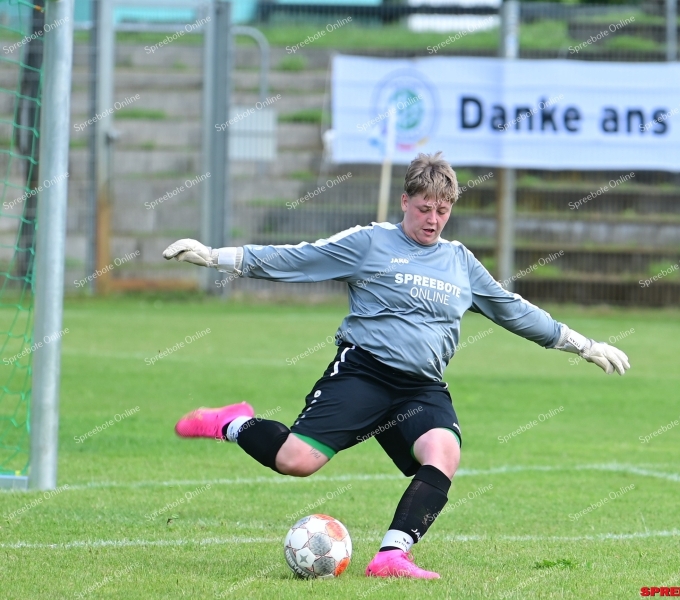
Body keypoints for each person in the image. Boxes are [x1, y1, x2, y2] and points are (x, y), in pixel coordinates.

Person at [163, 152, 630, 580]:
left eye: (442, 210)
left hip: (421, 388)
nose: (433, 219)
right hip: (364, 373)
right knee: (296, 462)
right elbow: (298, 258)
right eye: (424, 208)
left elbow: (512, 309)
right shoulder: (369, 243)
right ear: (405, 201)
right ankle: (233, 422)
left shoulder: (460, 262)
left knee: (444, 454)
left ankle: (391, 556)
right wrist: (215, 257)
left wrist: (581, 344)